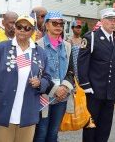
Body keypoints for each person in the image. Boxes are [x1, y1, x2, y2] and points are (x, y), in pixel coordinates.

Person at [0, 15, 52, 142]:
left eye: (27, 28)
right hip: (2, 110)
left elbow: (47, 78)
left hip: (28, 113)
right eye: (19, 27)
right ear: (15, 28)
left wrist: (40, 82)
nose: (22, 30)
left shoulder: (40, 52)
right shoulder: (2, 48)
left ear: (32, 31)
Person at [78, 7, 115, 142]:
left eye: (114, 20)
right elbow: (82, 63)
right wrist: (85, 84)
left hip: (109, 91)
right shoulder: (91, 37)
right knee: (91, 125)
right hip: (94, 90)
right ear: (102, 20)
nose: (113, 22)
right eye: (109, 19)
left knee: (105, 126)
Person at [34, 11, 74, 142]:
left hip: (62, 97)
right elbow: (36, 73)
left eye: (61, 23)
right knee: (41, 133)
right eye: (54, 23)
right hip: (43, 97)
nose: (58, 26)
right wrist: (54, 89)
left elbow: (71, 71)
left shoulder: (67, 46)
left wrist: (63, 88)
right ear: (46, 24)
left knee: (53, 133)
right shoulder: (37, 45)